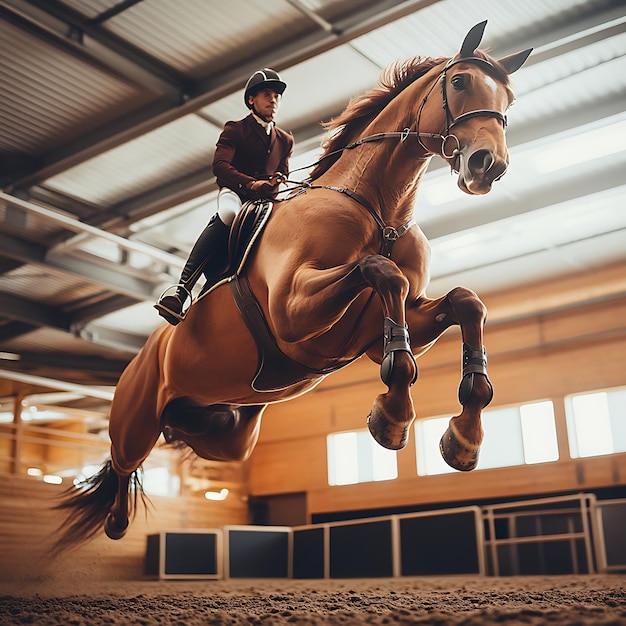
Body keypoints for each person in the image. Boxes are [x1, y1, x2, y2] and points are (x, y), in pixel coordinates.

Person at [155, 68, 294, 325]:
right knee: (229, 215)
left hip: (265, 201)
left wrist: (277, 182)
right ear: (251, 99)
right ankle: (182, 289)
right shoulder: (235, 130)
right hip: (237, 194)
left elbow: (282, 172)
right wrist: (252, 184)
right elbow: (220, 167)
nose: (273, 100)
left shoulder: (285, 139)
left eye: (276, 95)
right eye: (266, 94)